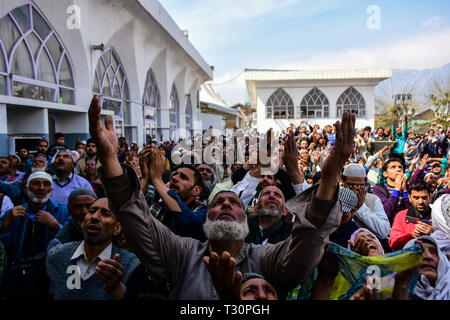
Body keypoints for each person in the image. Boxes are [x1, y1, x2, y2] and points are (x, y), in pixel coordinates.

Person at [88, 95, 356, 300]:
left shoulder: (266, 259)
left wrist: (331, 175)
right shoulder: (183, 254)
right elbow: (136, 219)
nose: (226, 203)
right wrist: (109, 159)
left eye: (235, 203)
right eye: (217, 203)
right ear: (206, 217)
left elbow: (309, 237)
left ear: (247, 217)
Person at [46, 198, 141, 300]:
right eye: (91, 211)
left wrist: (116, 289)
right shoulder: (56, 256)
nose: (95, 217)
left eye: (106, 214)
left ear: (117, 228)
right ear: (83, 223)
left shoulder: (131, 265)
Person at [0, 172, 70, 299]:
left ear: (51, 190)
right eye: (36, 183)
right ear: (26, 190)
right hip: (18, 274)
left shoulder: (63, 211)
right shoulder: (13, 213)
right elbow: (4, 247)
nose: (41, 188)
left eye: (46, 184)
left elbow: (71, 243)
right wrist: (7, 224)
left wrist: (56, 226)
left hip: (49, 275)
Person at [139, 145, 207, 240]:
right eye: (175, 174)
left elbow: (190, 222)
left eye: (183, 177)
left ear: (196, 190)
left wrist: (157, 179)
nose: (174, 178)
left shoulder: (203, 212)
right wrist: (145, 178)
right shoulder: (160, 205)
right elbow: (132, 209)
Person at [341, 163, 390, 241]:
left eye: (360, 185)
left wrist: (360, 208)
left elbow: (383, 232)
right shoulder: (336, 198)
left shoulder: (373, 200)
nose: (356, 188)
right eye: (351, 185)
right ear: (342, 182)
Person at [389, 180, 433, 250]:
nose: (420, 202)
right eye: (416, 198)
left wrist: (433, 233)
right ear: (409, 198)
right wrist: (411, 236)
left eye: (424, 198)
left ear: (430, 197)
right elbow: (393, 242)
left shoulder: (437, 217)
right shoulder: (401, 216)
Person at [373, 158, 411, 223]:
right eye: (393, 167)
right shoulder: (379, 189)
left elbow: (411, 212)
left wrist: (404, 191)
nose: (398, 169)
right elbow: (386, 212)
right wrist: (396, 189)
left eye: (400, 167)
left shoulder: (409, 188)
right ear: (385, 174)